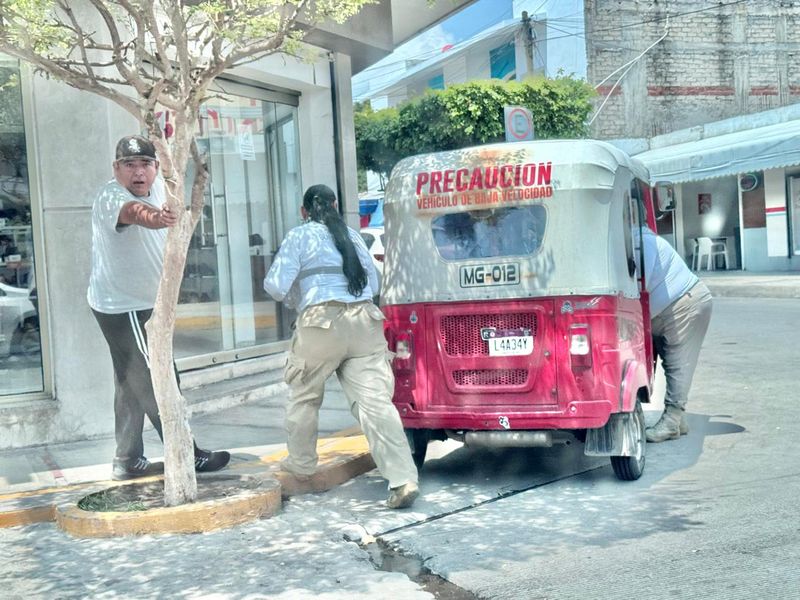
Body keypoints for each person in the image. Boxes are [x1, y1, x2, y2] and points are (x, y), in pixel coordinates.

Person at [264, 184, 419, 509]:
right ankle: (403, 479)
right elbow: (373, 284)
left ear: (304, 212)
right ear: (336, 207)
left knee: (304, 397)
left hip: (321, 324)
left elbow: (276, 287)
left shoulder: (299, 236)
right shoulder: (352, 236)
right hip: (365, 323)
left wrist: (299, 290)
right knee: (375, 403)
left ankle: (302, 466)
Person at [87, 135, 231, 480]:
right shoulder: (111, 196)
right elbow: (137, 215)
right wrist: (159, 217)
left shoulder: (162, 188)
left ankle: (127, 460)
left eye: (145, 164)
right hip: (123, 307)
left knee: (131, 380)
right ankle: (186, 452)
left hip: (144, 304)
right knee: (159, 376)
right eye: (129, 165)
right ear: (116, 168)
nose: (138, 173)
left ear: (155, 167)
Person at [636, 225, 713, 443]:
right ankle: (678, 420)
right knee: (671, 363)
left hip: (684, 303)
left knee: (677, 362)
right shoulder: (640, 239)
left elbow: (638, 283)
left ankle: (671, 421)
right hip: (677, 304)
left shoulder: (643, 242)